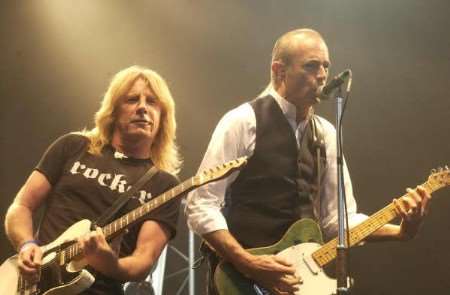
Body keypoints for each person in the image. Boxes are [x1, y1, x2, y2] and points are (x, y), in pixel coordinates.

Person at [185, 28, 432, 295]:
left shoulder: (325, 133)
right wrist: (248, 263)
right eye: (311, 66)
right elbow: (201, 204)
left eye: (326, 66)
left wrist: (400, 231)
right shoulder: (243, 121)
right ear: (279, 70)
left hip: (298, 283)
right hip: (242, 281)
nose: (323, 76)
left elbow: (338, 221)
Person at [4, 65, 183, 294]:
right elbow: (21, 206)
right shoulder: (73, 146)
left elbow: (142, 261)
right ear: (114, 110)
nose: (142, 108)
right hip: (33, 284)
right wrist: (27, 244)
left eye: (152, 102)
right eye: (132, 100)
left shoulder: (164, 185)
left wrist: (110, 262)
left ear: (163, 116)